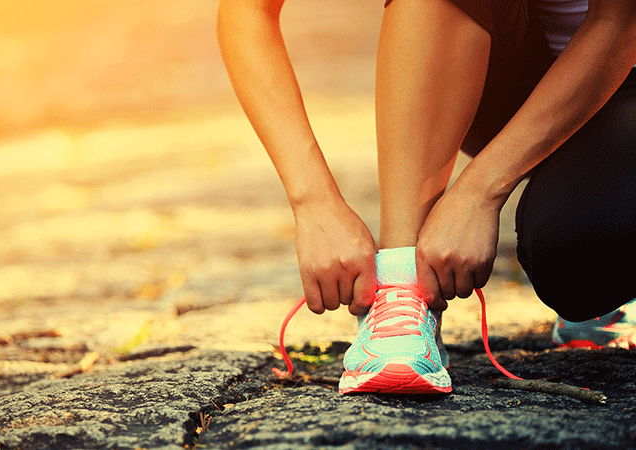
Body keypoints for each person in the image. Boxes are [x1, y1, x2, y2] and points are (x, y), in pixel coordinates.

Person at [217, 0, 636, 394]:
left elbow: (618, 22)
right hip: (505, 66)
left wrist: (479, 192)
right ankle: (402, 283)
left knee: (577, 253)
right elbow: (247, 11)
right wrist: (315, 204)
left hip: (624, 71)